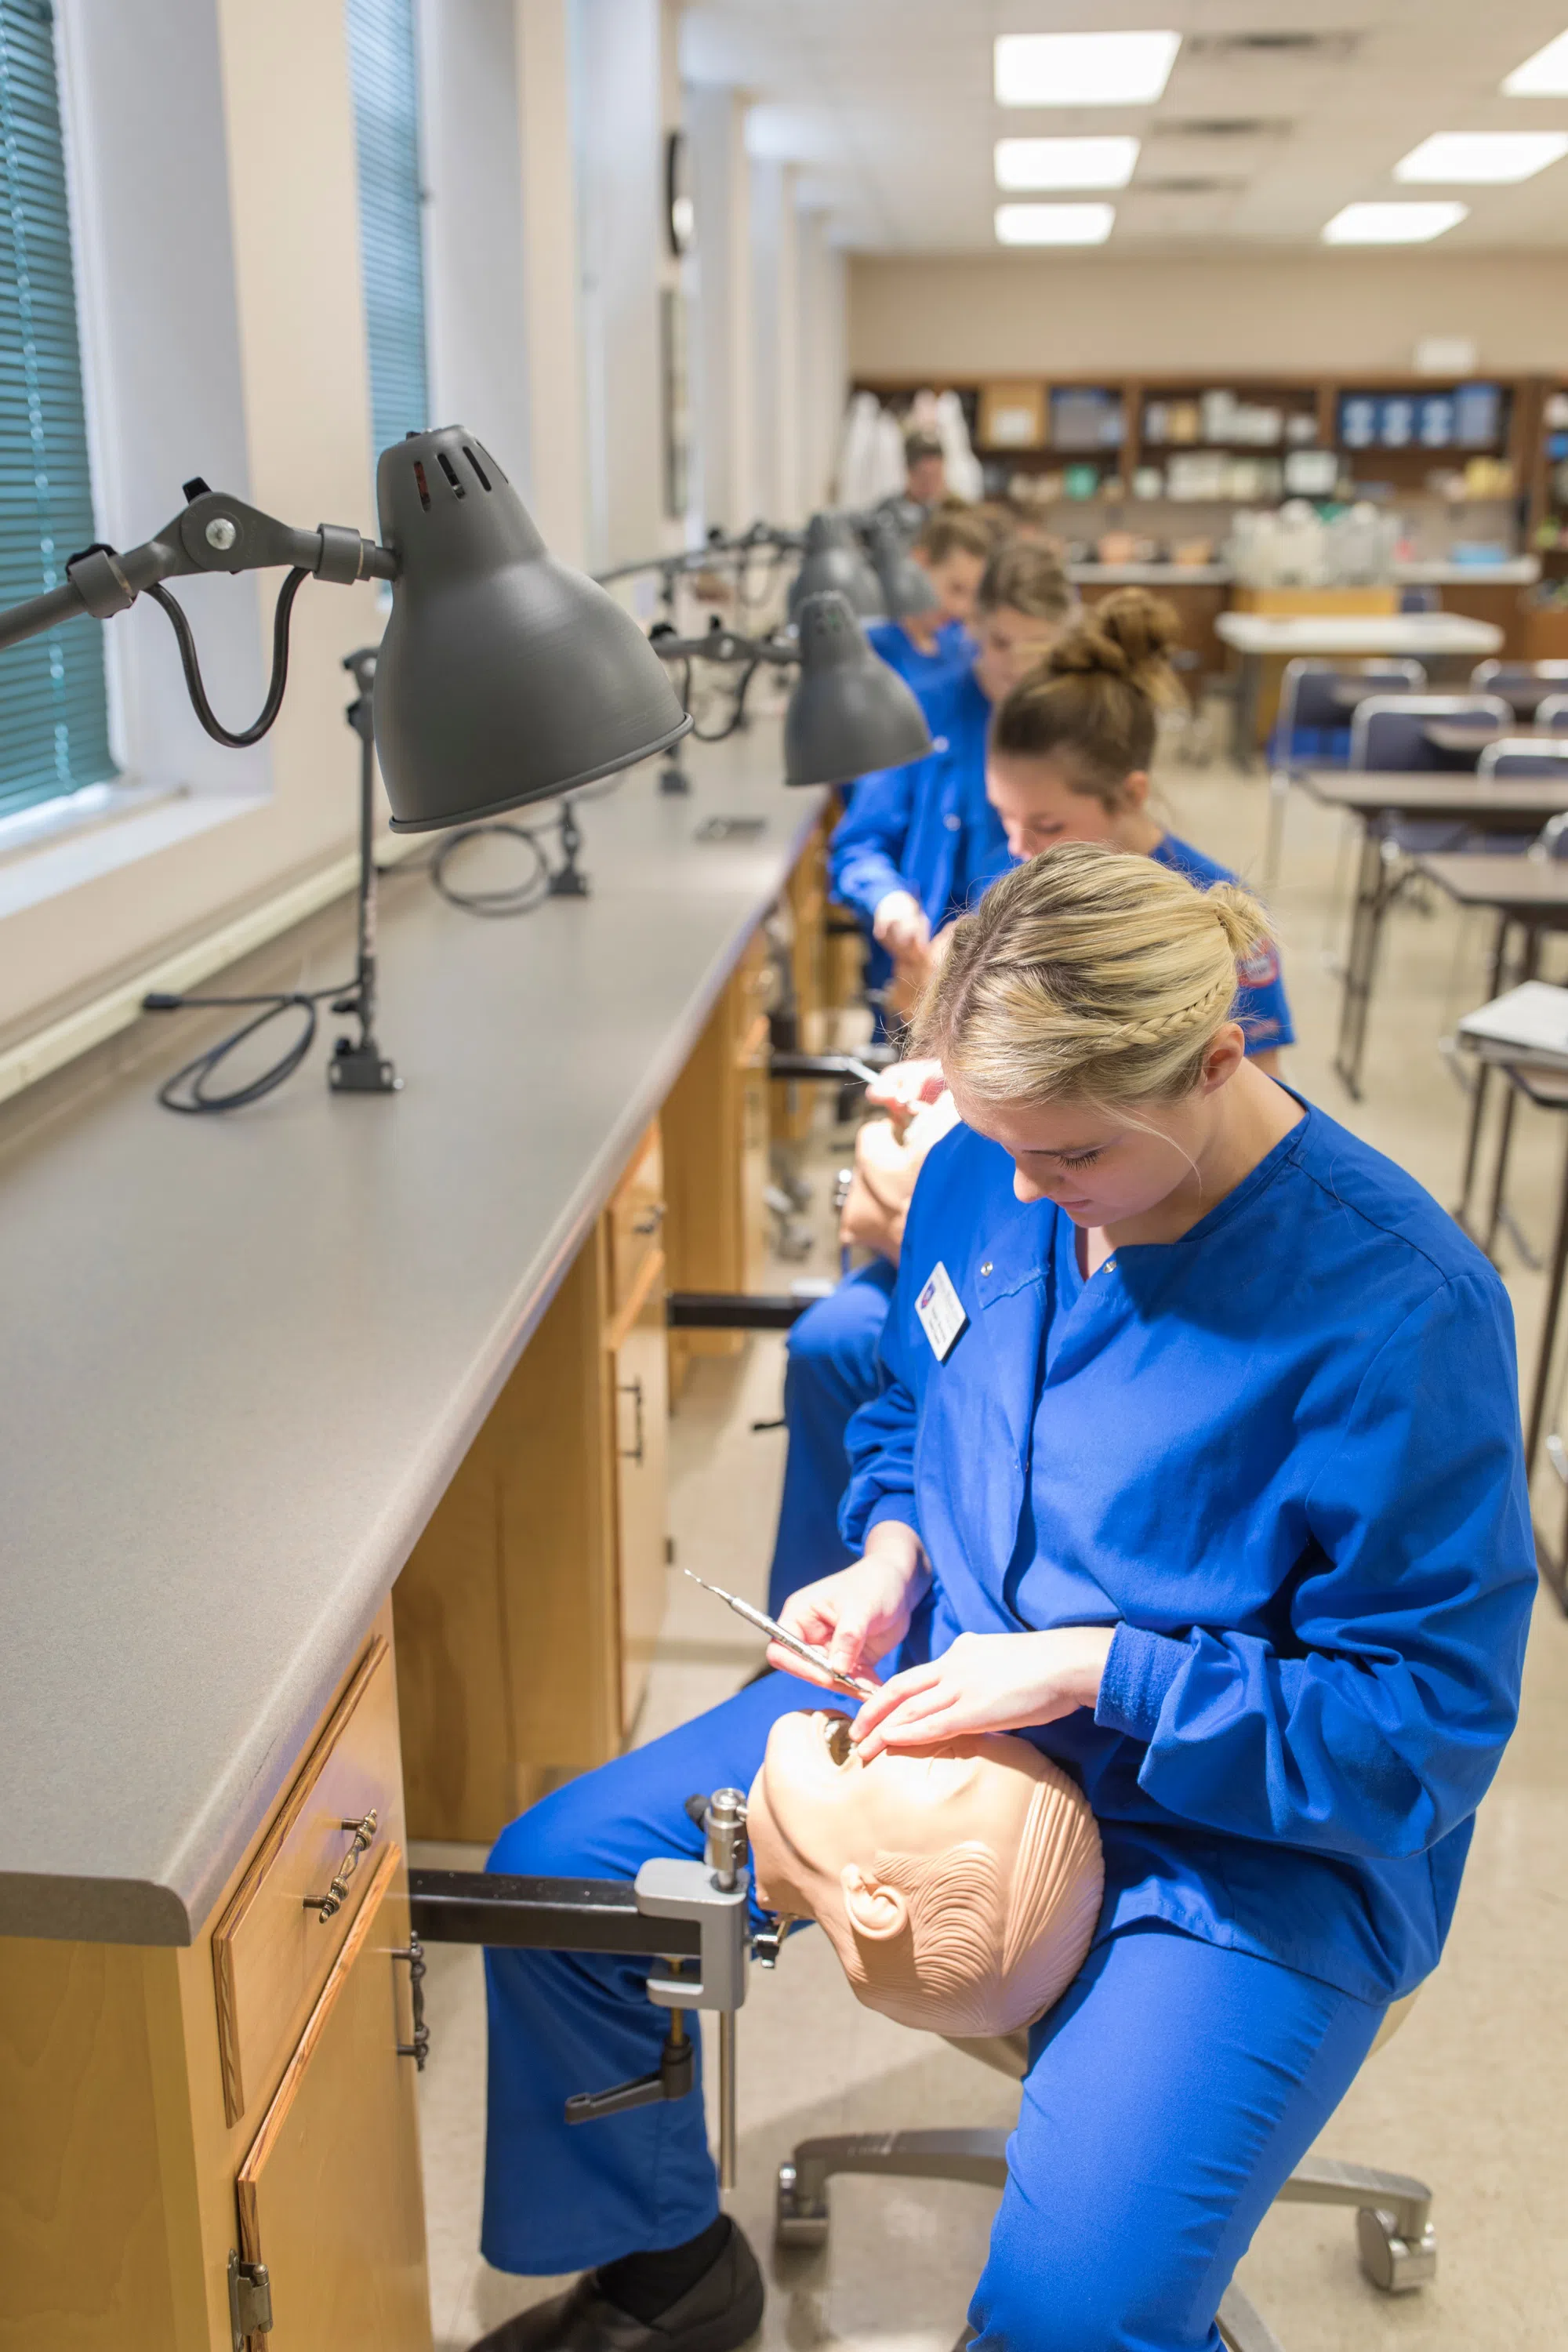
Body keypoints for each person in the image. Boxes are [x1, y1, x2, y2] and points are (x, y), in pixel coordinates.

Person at [471, 845, 1533, 2352]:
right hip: (938, 1695)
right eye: (1001, 1144)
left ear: (1219, 1059)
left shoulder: (1399, 1310)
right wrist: (891, 1555)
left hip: (1234, 1837)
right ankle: (665, 2271)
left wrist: (1102, 1671)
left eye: (1073, 1159)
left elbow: (1417, 1732)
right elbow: (916, 1398)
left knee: (1068, 2315)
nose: (1024, 1192)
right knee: (556, 1882)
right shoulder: (994, 1158)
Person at [768, 587, 1295, 1617]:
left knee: (892, 1360)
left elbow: (1234, 1142)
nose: (1015, 853)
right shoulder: (1017, 908)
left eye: (1044, 827)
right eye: (1006, 824)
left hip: (1101, 1250)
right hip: (987, 1214)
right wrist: (947, 1098)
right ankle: (843, 1604)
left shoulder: (1208, 940)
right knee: (843, 1350)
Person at [985, 588, 1294, 1071]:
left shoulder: (1219, 917)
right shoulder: (1022, 879)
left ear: (1130, 795)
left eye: (1047, 824)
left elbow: (1264, 1089)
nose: (1017, 846)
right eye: (1003, 814)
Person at [829, 540, 1075, 1018]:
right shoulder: (917, 710)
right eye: (1002, 643)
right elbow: (858, 845)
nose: (1016, 667)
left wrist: (980, 932)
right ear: (975, 625)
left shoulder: (1075, 732)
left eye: (1036, 650)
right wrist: (888, 900)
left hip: (1026, 997)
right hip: (916, 982)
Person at [864, 507, 993, 698]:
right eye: (956, 588)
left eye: (972, 596)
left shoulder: (965, 647)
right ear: (920, 562)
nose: (962, 608)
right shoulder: (872, 648)